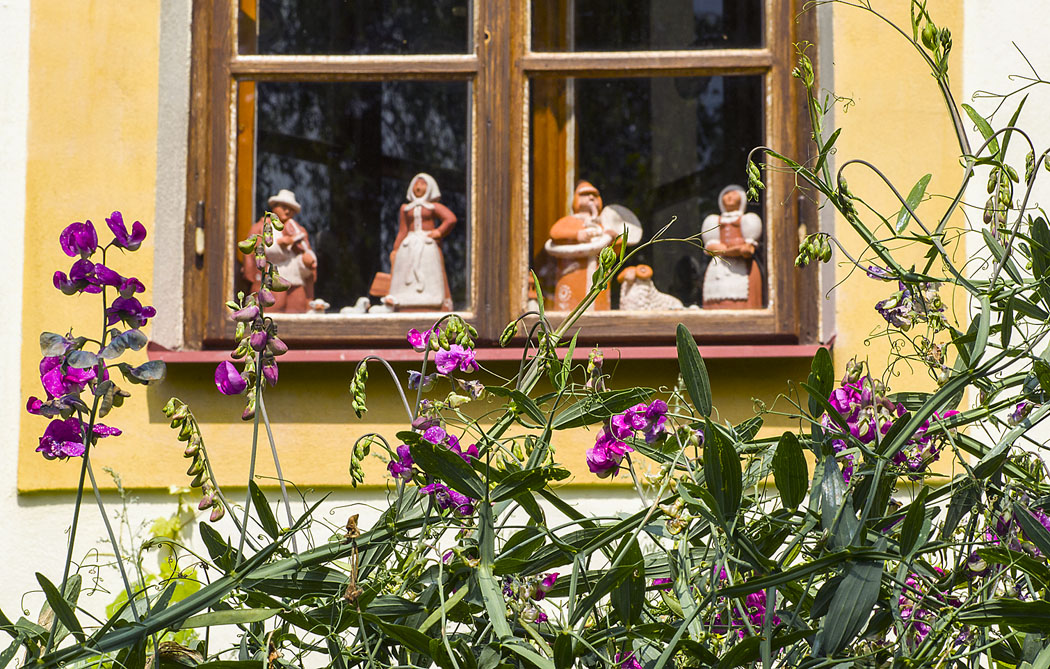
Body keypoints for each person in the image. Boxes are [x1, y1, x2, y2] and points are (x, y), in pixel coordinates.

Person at [385, 173, 457, 311]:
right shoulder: (406, 209)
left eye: (422, 184)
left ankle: (432, 300)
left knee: (430, 271)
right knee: (405, 270)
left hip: (426, 245)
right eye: (416, 184)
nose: (418, 187)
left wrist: (439, 231)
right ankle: (403, 300)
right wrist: (396, 249)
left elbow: (450, 219)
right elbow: (402, 230)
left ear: (429, 187)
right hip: (408, 245)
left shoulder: (432, 207)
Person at [544, 181, 618, 311]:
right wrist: (577, 235)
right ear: (576, 199)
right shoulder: (570, 221)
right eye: (586, 194)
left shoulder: (602, 226)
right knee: (570, 306)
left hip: (598, 275)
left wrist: (614, 238)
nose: (591, 198)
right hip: (573, 272)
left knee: (598, 305)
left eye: (595, 195)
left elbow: (615, 253)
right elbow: (555, 232)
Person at [241, 189, 317, 313]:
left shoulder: (299, 230)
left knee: (297, 306)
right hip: (273, 277)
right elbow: (254, 252)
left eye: (291, 209)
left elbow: (306, 253)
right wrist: (281, 244)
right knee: (273, 308)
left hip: (295, 278)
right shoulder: (261, 228)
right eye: (284, 207)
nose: (287, 211)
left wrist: (307, 261)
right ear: (274, 207)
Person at [700, 185, 763, 309]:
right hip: (719, 267)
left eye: (734, 194)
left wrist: (737, 249)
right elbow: (711, 247)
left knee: (743, 302)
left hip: (742, 267)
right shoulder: (713, 221)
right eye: (726, 194)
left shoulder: (747, 220)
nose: (729, 197)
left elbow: (747, 249)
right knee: (716, 301)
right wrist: (731, 250)